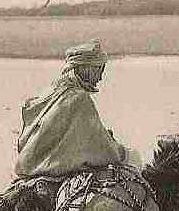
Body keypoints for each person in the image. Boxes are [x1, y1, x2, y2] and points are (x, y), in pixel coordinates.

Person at [14, 39, 137, 178]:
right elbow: (103, 149)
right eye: (99, 70)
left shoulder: (53, 90)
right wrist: (124, 153)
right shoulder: (79, 99)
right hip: (49, 165)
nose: (101, 78)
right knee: (133, 159)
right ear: (87, 69)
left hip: (28, 164)